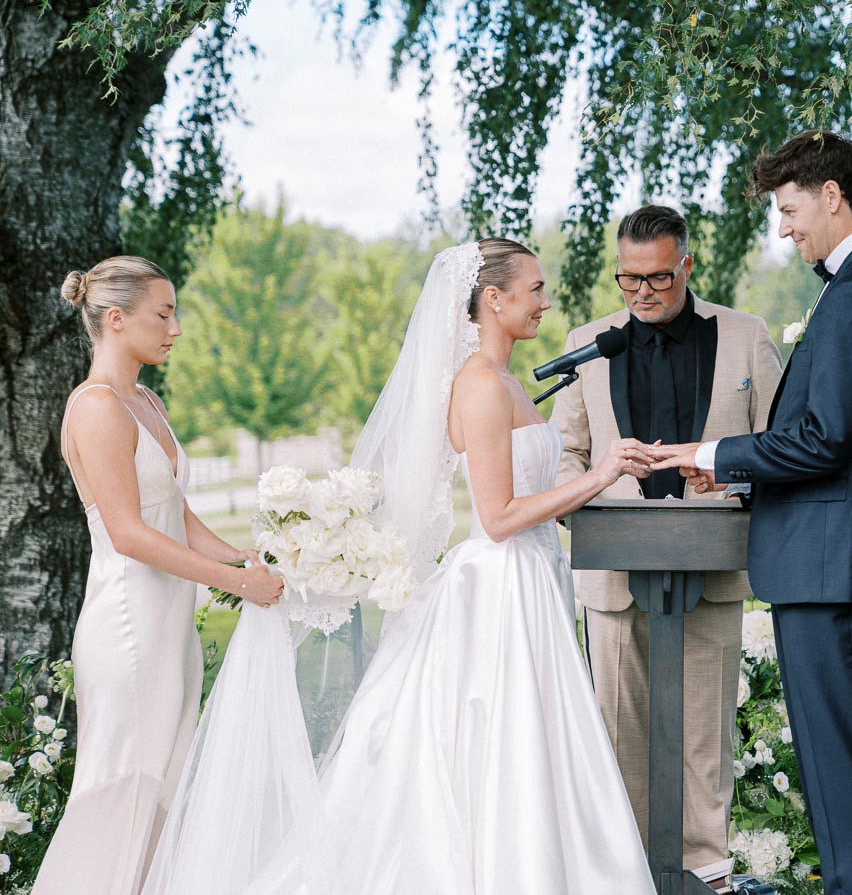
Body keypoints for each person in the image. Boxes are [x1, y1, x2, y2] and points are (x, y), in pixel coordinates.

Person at [142, 240, 659, 894]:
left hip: (533, 579)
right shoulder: (476, 383)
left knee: (539, 751)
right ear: (493, 299)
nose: (545, 300)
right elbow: (498, 516)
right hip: (500, 587)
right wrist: (602, 474)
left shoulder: (505, 382)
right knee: (501, 750)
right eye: (534, 288)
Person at [650, 130, 852, 895]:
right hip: (832, 561)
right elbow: (822, 441)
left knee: (843, 773)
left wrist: (710, 455)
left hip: (832, 568)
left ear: (832, 195)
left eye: (789, 208)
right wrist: (742, 479)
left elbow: (821, 440)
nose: (783, 227)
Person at [34, 256, 282, 895]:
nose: (176, 327)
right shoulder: (93, 408)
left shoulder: (144, 400)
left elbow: (178, 516)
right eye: (164, 313)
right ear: (116, 320)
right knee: (123, 789)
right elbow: (129, 534)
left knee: (165, 792)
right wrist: (234, 587)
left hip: (168, 629)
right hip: (127, 630)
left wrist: (250, 561)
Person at [552, 204, 782, 876]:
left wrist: (731, 479)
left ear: (688, 264)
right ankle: (625, 878)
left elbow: (774, 446)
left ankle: (706, 876)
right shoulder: (590, 343)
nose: (643, 293)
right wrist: (589, 515)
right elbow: (566, 456)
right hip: (612, 581)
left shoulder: (746, 336)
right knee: (619, 744)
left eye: (657, 277)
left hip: (710, 577)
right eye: (629, 279)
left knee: (704, 747)